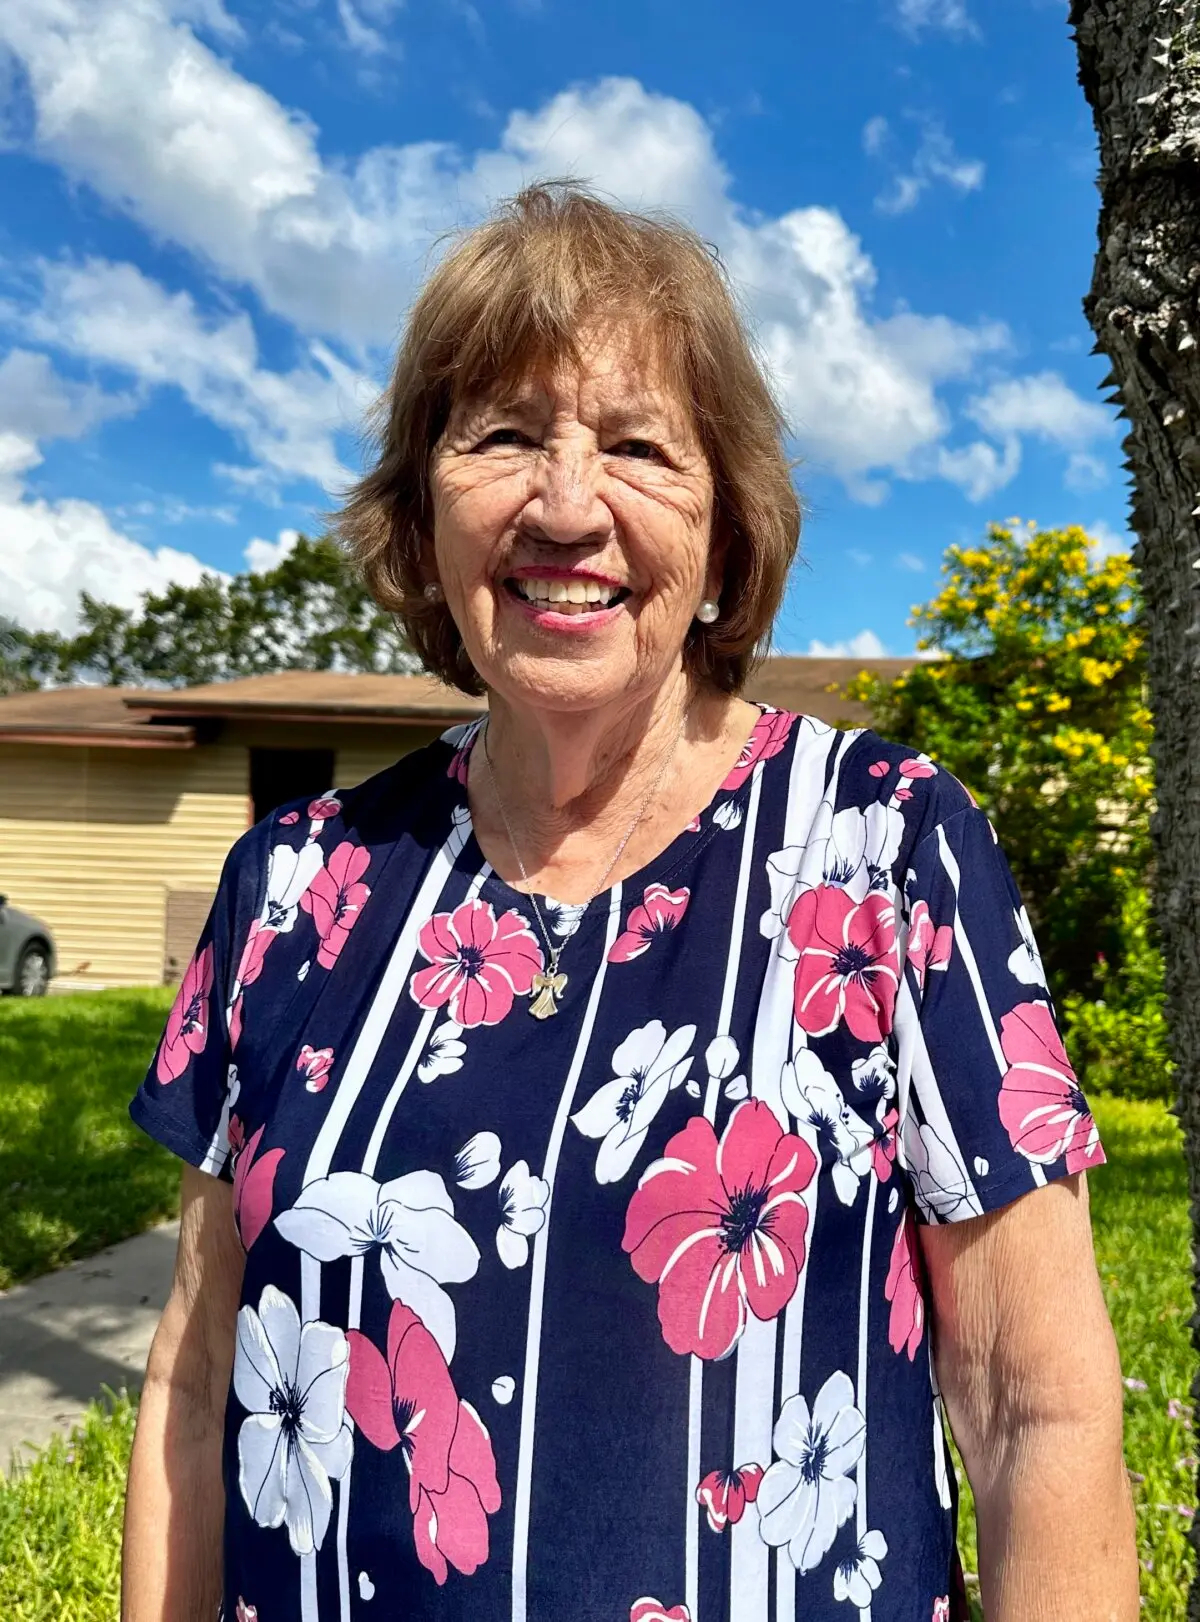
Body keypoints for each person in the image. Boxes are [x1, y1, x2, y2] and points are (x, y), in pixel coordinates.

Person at [121, 184, 1137, 1622]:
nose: (567, 504)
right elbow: (193, 1380)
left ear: (724, 533)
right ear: (422, 515)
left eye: (640, 445)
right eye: (504, 437)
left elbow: (1040, 1411)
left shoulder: (889, 849)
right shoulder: (295, 885)